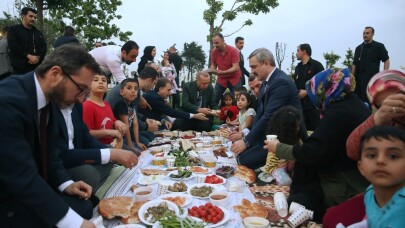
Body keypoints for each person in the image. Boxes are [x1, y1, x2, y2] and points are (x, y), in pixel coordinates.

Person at [0, 44, 100, 227]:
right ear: (55, 74)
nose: (80, 99)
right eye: (81, 89)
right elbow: (20, 175)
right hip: (8, 195)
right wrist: (75, 224)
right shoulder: (7, 102)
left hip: (27, 185)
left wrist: (66, 183)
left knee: (87, 205)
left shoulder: (49, 102)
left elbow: (50, 155)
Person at [265, 68, 370, 208]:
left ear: (325, 89)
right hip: (355, 177)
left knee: (302, 178)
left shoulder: (338, 113)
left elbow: (312, 152)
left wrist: (278, 148)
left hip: (346, 184)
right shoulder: (353, 104)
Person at [229, 48, 304, 169]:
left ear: (266, 63)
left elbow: (268, 116)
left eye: (254, 67)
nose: (252, 72)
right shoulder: (267, 82)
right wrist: (244, 133)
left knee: (243, 160)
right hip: (268, 135)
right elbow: (260, 113)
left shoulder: (281, 82)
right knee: (238, 155)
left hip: (283, 139)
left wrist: (246, 141)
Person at [55, 102, 138, 192]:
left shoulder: (76, 105)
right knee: (88, 173)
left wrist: (111, 153)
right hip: (63, 166)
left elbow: (86, 137)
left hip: (80, 155)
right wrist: (111, 153)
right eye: (81, 88)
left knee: (109, 159)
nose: (85, 94)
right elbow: (61, 155)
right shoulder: (53, 109)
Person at [261, 106, 325, 221]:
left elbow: (300, 152)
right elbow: (288, 168)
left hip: (292, 174)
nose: (300, 128)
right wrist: (293, 160)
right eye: (297, 126)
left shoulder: (295, 140)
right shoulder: (277, 144)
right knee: (286, 182)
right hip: (277, 169)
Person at [346, 70, 405, 161]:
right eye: (382, 105)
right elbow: (353, 151)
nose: (393, 107)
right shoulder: (384, 119)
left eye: (398, 98)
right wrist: (377, 119)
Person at [357, 125, 405, 227]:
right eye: (372, 155)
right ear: (360, 167)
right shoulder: (370, 193)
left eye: (393, 156)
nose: (380, 161)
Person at [140, 77, 208, 128]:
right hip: (145, 126)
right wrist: (194, 116)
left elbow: (154, 113)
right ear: (160, 89)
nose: (170, 93)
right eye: (168, 90)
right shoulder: (155, 98)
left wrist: (163, 120)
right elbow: (172, 113)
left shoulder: (154, 95)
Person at [352, 26, 390, 104]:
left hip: (372, 81)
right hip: (358, 82)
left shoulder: (379, 46)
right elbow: (354, 64)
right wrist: (352, 78)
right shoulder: (358, 48)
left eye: (367, 33)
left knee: (371, 103)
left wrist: (383, 75)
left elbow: (386, 60)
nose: (365, 35)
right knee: (359, 103)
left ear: (373, 34)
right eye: (364, 33)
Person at [7, 7, 47, 75]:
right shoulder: (14, 30)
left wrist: (37, 58)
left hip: (36, 69)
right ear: (23, 16)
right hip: (19, 69)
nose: (33, 19)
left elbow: (44, 47)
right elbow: (13, 46)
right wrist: (28, 56)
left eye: (34, 17)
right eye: (31, 16)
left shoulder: (38, 33)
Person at [113, 78, 148, 155]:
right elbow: (126, 126)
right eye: (129, 88)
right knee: (135, 153)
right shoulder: (121, 104)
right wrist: (130, 145)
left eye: (136, 89)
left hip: (127, 136)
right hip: (120, 138)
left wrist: (137, 142)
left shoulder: (132, 104)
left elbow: (135, 124)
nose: (133, 91)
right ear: (122, 92)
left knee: (142, 150)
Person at [294, 43, 324, 131]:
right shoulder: (297, 68)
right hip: (300, 108)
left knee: (315, 130)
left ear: (304, 52)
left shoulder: (317, 65)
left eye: (298, 51)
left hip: (313, 107)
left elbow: (323, 84)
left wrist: (307, 92)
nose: (296, 53)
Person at [210, 33, 241, 104]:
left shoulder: (233, 50)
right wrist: (212, 70)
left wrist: (222, 72)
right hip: (222, 78)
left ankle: (237, 114)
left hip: (234, 78)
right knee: (214, 98)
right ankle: (214, 113)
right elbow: (213, 65)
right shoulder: (214, 52)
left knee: (236, 100)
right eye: (214, 43)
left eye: (217, 43)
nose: (215, 45)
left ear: (223, 40)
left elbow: (235, 67)